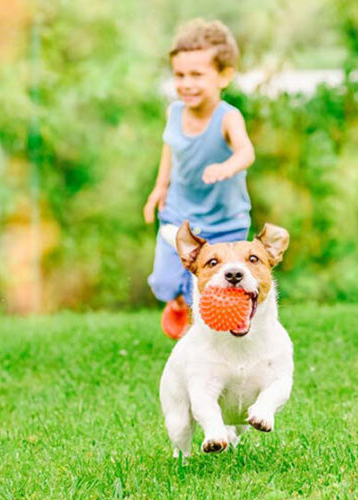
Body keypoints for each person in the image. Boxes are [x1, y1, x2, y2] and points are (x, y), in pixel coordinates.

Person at [144, 18, 256, 339]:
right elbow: (171, 147)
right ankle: (177, 302)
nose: (186, 83)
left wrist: (228, 167)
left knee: (213, 292)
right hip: (180, 217)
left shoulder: (228, 117)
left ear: (224, 76)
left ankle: (206, 341)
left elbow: (246, 151)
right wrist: (159, 187)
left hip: (225, 222)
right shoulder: (174, 112)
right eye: (180, 75)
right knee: (165, 282)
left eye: (197, 75)